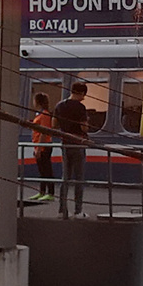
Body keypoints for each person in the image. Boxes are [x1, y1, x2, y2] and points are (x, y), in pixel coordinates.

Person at [53, 82, 90, 218]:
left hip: (65, 143)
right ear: (81, 93)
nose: (83, 98)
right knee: (79, 178)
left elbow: (54, 124)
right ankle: (78, 211)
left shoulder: (59, 105)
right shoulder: (80, 107)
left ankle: (62, 210)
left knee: (65, 178)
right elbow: (84, 127)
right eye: (84, 95)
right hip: (78, 144)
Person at [30, 92, 56, 200]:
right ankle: (42, 191)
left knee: (47, 170)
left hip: (44, 145)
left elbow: (43, 132)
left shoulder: (45, 114)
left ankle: (50, 193)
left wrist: (39, 148)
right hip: (39, 145)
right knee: (42, 170)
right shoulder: (39, 114)